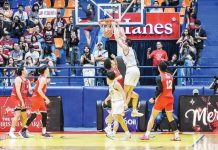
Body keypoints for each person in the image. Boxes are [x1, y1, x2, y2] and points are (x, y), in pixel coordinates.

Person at [140, 62, 181, 141]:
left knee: (153, 116)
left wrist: (154, 98)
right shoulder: (170, 75)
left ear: (159, 68)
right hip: (170, 98)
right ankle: (177, 135)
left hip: (162, 98)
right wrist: (169, 94)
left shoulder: (159, 77)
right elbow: (173, 88)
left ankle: (147, 134)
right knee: (170, 117)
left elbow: (160, 89)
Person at [113, 22, 143, 117]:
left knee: (125, 92)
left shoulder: (125, 48)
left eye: (124, 41)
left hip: (131, 70)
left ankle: (123, 109)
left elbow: (117, 38)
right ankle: (133, 110)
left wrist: (114, 26)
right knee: (130, 92)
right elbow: (124, 35)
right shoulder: (130, 48)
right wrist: (118, 25)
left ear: (126, 43)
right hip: (136, 71)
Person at [19, 65, 51, 138]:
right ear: (45, 70)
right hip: (37, 98)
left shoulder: (43, 77)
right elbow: (39, 90)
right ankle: (23, 130)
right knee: (34, 115)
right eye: (47, 68)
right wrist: (46, 98)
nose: (49, 69)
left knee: (44, 113)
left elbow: (46, 82)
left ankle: (44, 132)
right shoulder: (42, 78)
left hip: (39, 98)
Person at [104, 71, 131, 140]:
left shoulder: (116, 84)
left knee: (115, 118)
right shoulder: (111, 84)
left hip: (118, 102)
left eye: (106, 78)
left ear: (108, 78)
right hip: (114, 102)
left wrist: (125, 103)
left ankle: (113, 134)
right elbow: (112, 93)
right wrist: (106, 99)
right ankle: (128, 134)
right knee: (120, 120)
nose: (106, 79)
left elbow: (123, 93)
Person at [8, 66, 33, 139]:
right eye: (25, 69)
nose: (27, 70)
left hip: (23, 98)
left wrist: (31, 91)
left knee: (24, 115)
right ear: (22, 71)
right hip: (16, 97)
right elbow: (18, 91)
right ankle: (11, 132)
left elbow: (30, 91)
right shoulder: (18, 79)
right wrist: (22, 101)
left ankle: (24, 131)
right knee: (18, 114)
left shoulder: (27, 81)